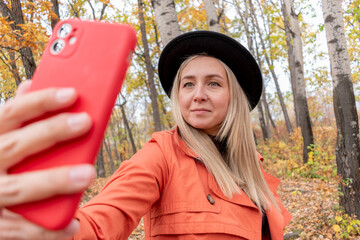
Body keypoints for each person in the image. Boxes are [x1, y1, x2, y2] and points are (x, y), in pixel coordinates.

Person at [0, 31, 291, 240]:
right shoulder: (162, 153)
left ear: (234, 98)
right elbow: (99, 224)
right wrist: (40, 226)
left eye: (213, 84)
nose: (198, 95)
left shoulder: (254, 168)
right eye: (188, 85)